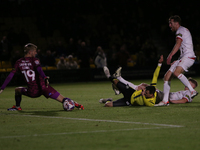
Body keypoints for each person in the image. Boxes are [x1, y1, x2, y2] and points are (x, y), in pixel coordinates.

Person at [0, 43, 84, 111]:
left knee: (17, 90)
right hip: (44, 88)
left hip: (32, 91)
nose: (36, 53)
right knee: (63, 99)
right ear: (30, 52)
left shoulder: (18, 62)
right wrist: (44, 77)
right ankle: (73, 103)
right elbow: (39, 69)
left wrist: (2, 88)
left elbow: (10, 75)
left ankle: (17, 107)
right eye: (35, 51)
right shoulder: (35, 60)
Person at [155, 15, 198, 106]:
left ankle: (192, 91)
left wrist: (170, 55)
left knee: (176, 73)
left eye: (171, 23)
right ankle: (165, 101)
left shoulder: (180, 30)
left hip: (189, 57)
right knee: (167, 77)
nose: (170, 25)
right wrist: (178, 60)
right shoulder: (183, 30)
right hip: (183, 57)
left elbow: (178, 44)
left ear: (176, 23)